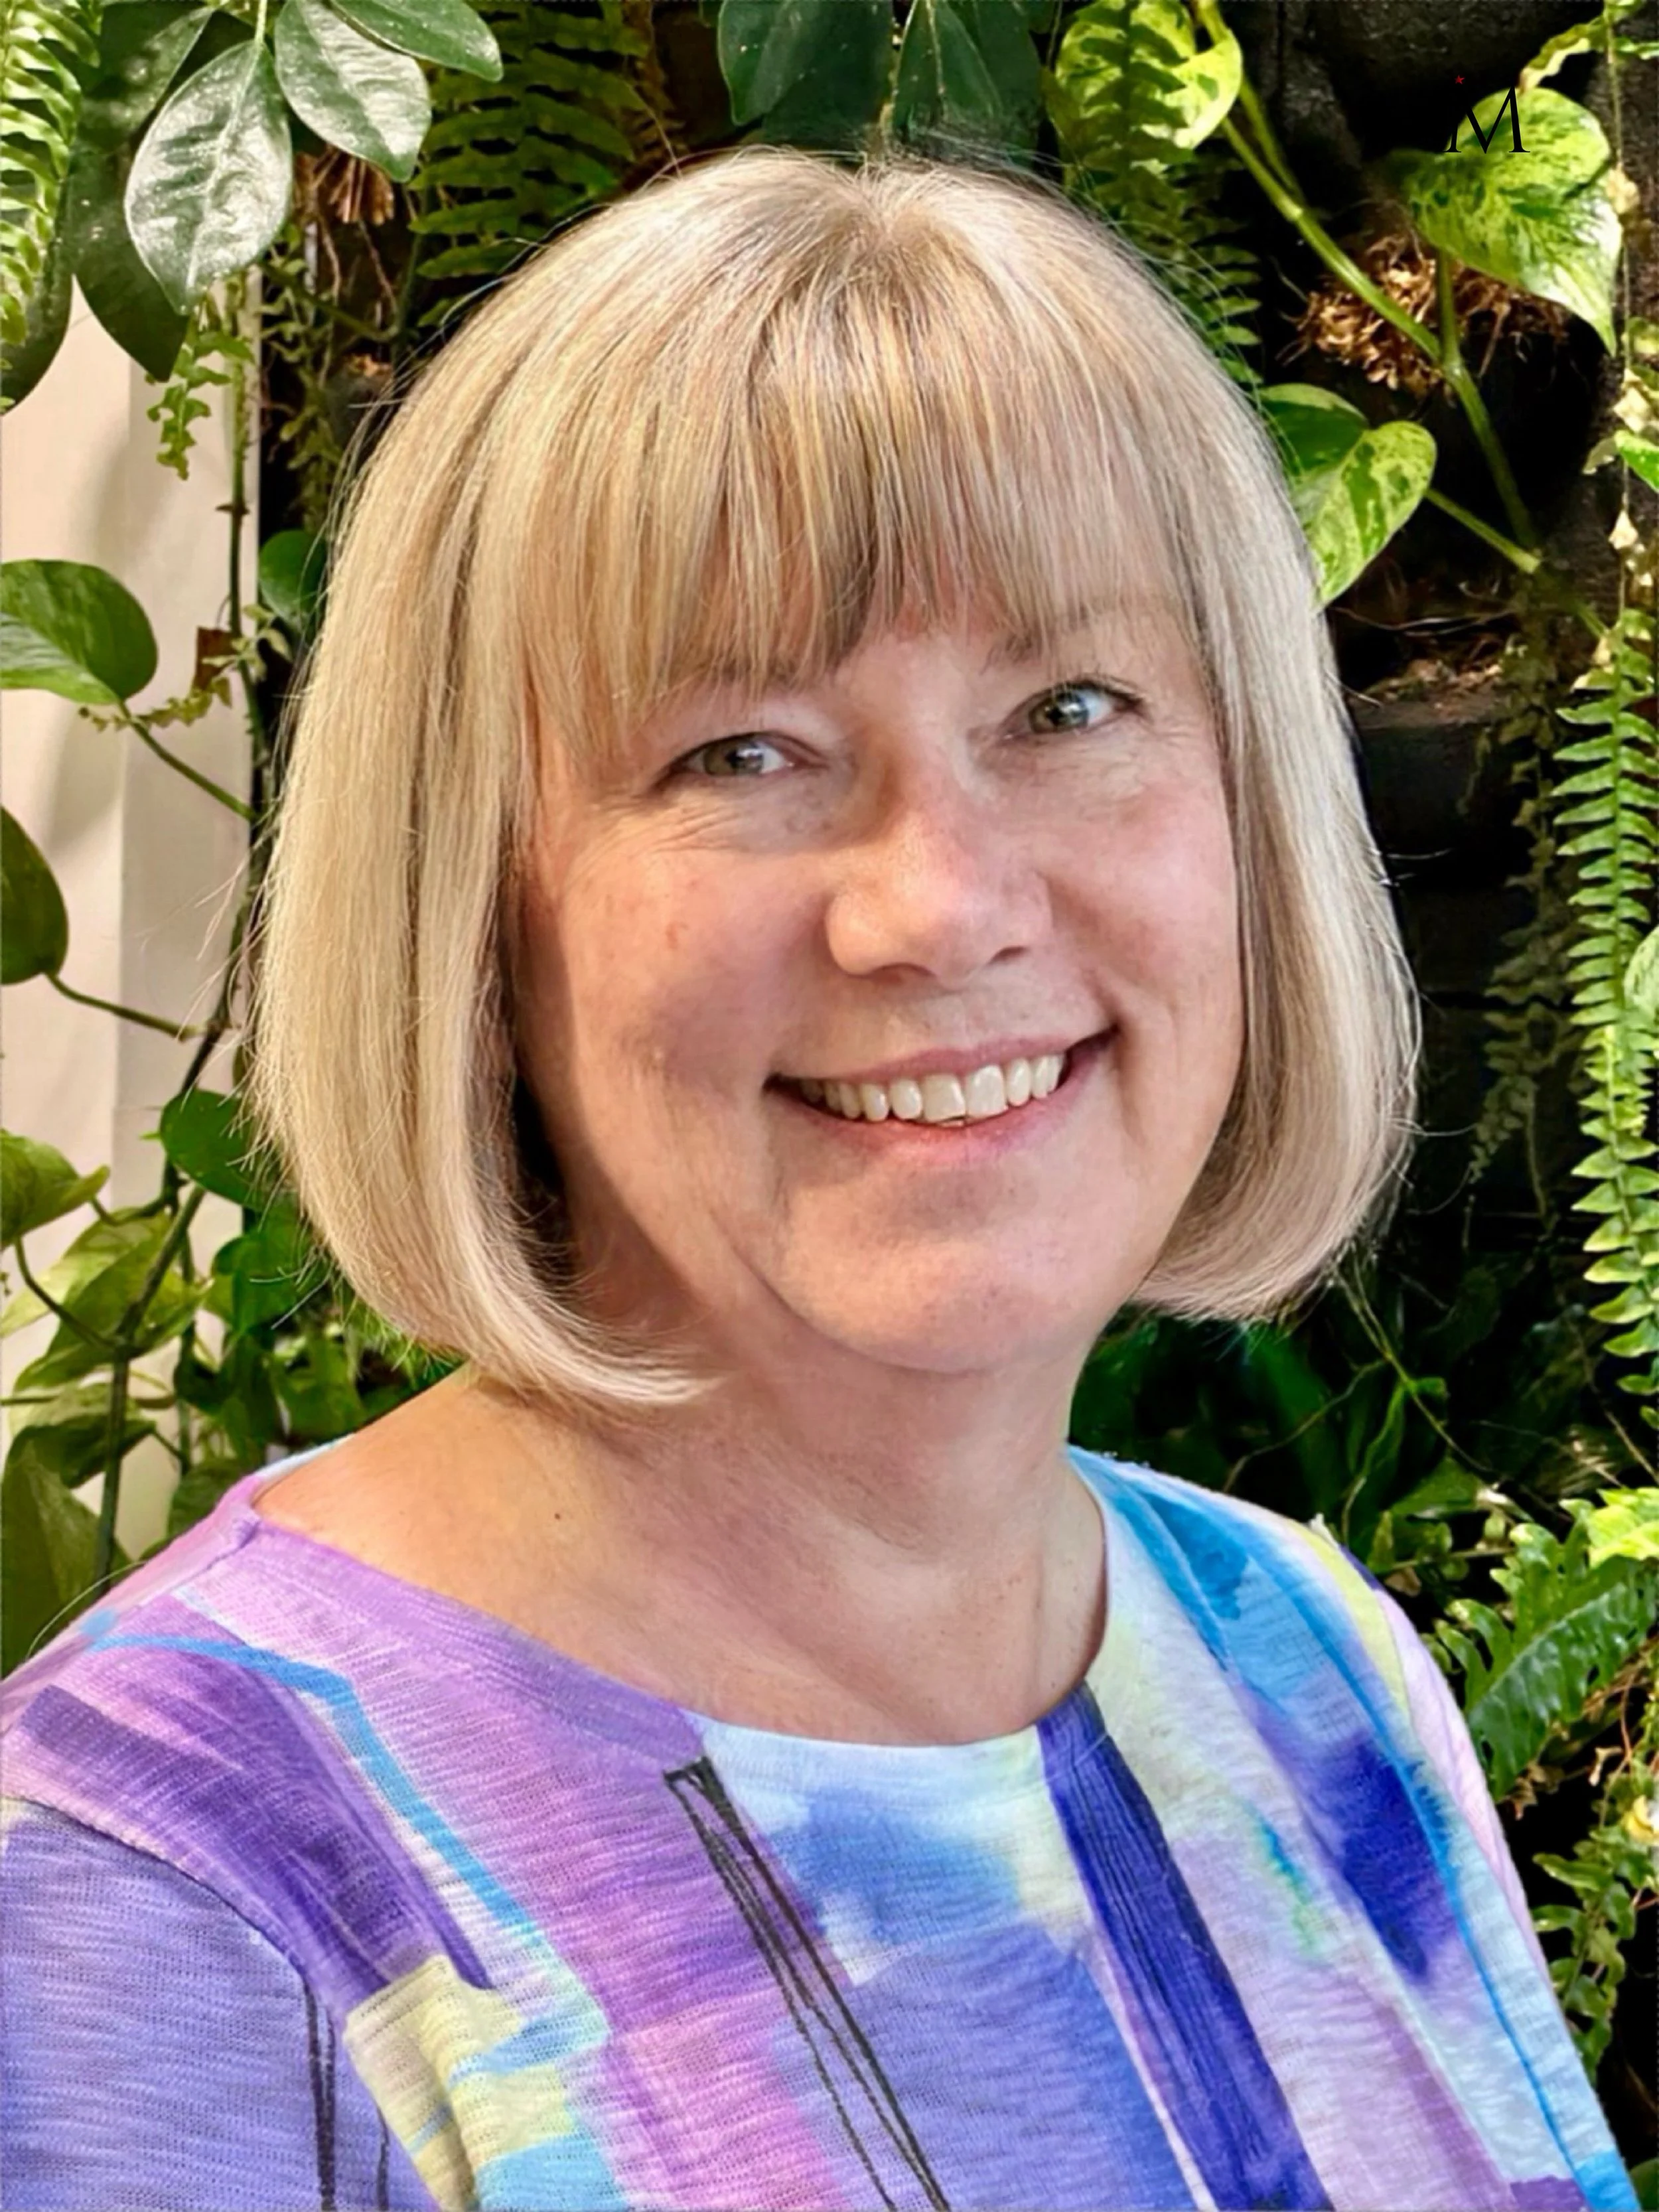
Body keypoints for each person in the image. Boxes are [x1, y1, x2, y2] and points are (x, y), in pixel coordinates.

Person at [1, 144, 1636, 2212]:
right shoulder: (165, 1882)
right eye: (737, 751)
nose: (937, 906)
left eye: (1068, 705)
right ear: (475, 921)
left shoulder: (1306, 1665)